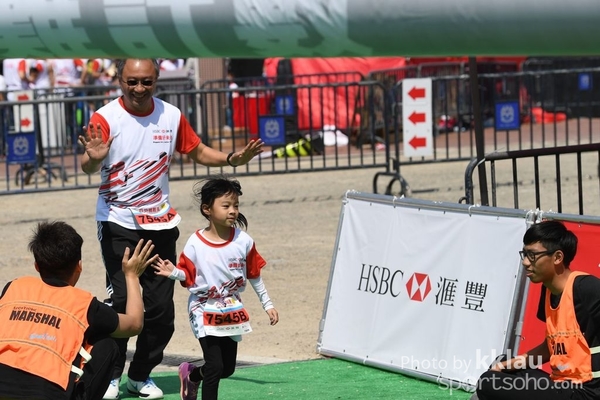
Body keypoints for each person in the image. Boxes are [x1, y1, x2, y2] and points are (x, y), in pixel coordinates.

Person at [77, 58, 263, 400]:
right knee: (123, 302)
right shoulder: (105, 117)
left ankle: (139, 375)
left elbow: (198, 150)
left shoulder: (171, 115)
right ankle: (111, 376)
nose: (139, 88)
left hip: (161, 223)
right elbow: (89, 165)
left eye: (146, 81)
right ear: (119, 80)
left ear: (156, 79)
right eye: (132, 81)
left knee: (161, 310)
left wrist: (231, 159)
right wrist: (93, 158)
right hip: (118, 221)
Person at [152, 175, 279, 400]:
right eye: (226, 206)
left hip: (231, 307)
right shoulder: (195, 243)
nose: (233, 211)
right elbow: (188, 276)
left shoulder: (244, 241)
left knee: (226, 369)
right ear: (207, 209)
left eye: (236, 206)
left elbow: (254, 275)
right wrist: (173, 273)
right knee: (215, 365)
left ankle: (191, 376)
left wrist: (267, 304)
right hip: (203, 308)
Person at [0, 221, 157, 400]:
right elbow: (135, 324)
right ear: (79, 266)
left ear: (36, 265)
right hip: (47, 394)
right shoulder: (84, 304)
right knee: (106, 344)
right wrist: (132, 275)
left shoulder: (14, 287)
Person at [472, 220, 600, 400]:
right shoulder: (548, 290)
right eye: (524, 254)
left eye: (532, 255)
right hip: (562, 385)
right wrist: (507, 365)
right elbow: (550, 348)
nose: (525, 262)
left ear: (557, 257)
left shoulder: (586, 288)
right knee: (502, 365)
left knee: (488, 382)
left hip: (586, 392)